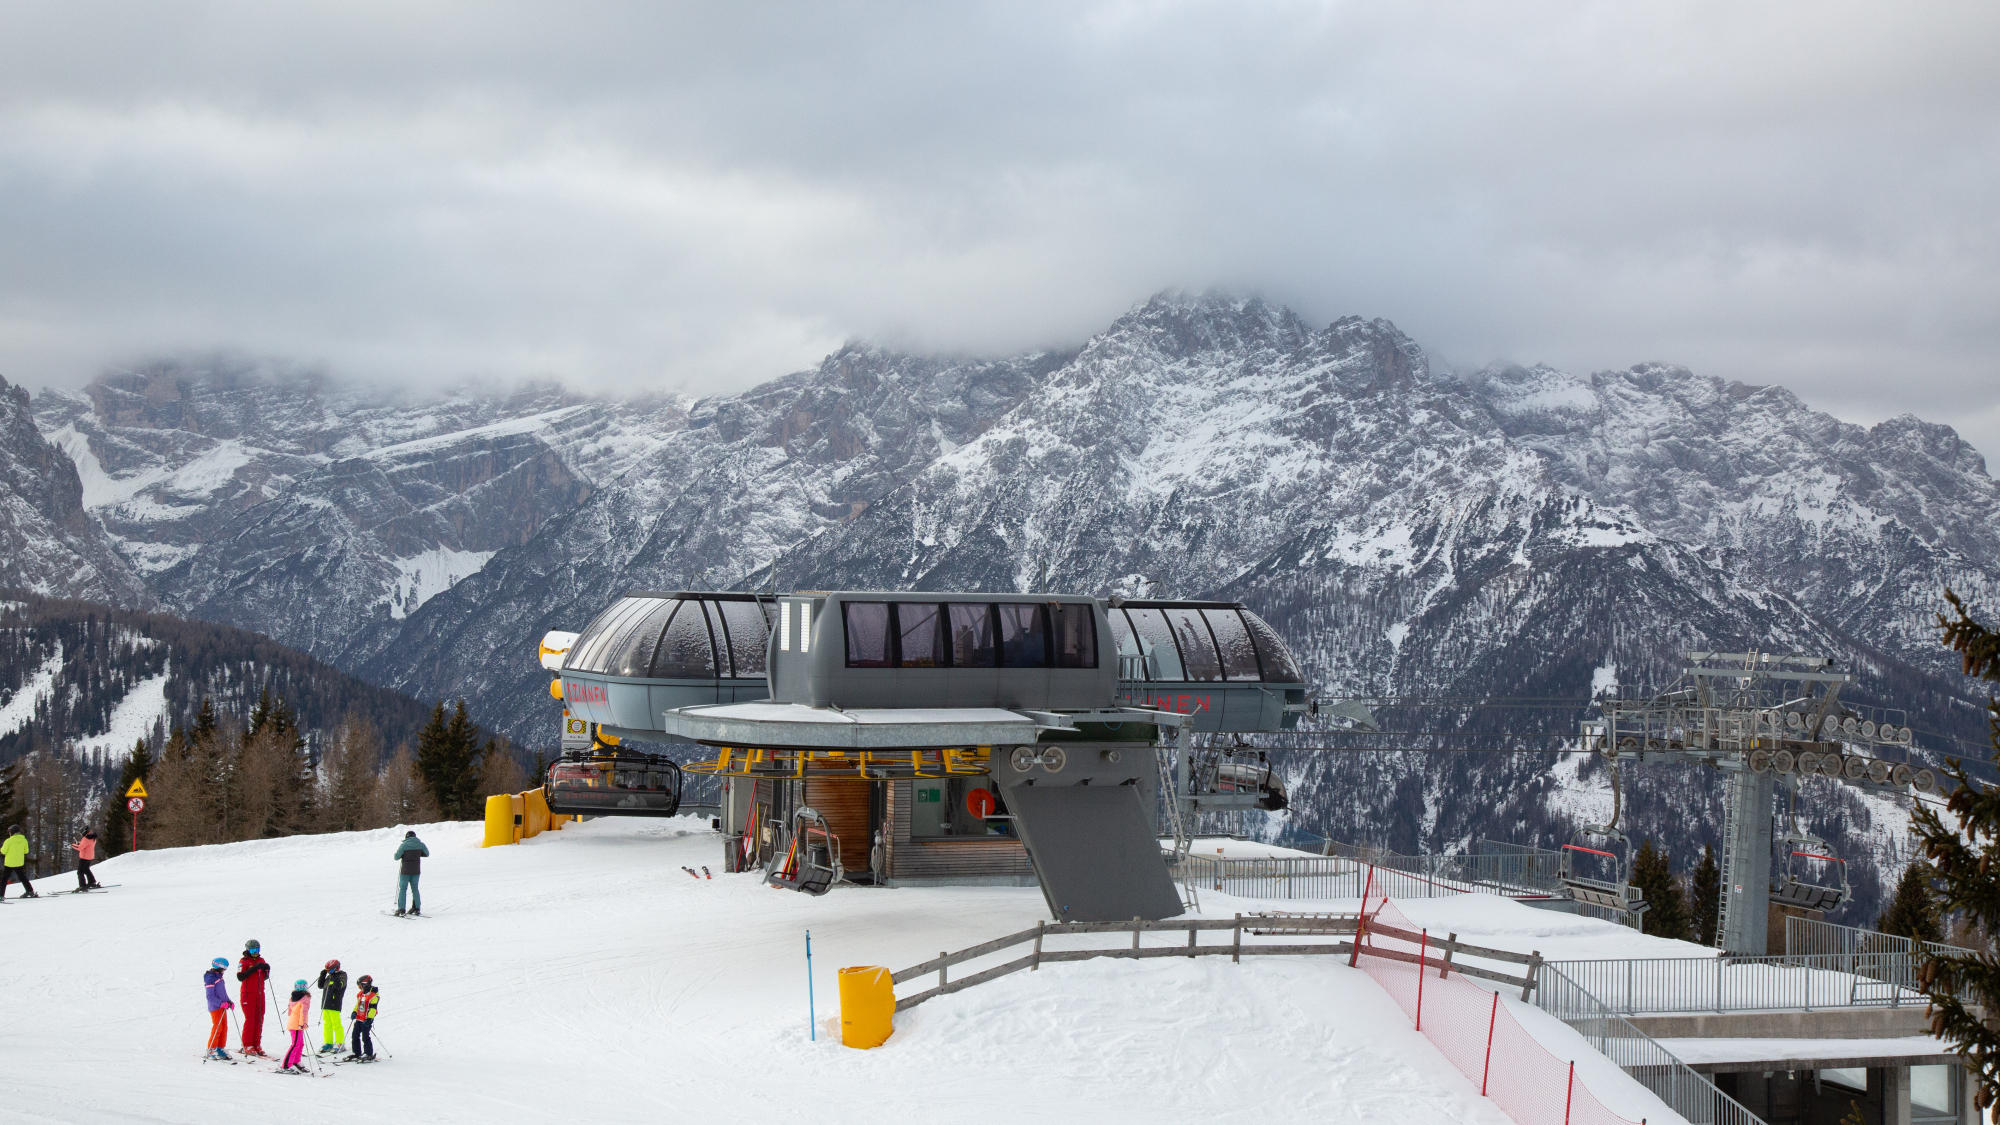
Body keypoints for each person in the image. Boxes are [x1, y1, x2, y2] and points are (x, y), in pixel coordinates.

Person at [236, 939, 272, 1056]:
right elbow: (240, 977)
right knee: (250, 1019)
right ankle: (247, 1045)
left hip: (260, 993)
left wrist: (267, 969)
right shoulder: (244, 961)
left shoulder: (261, 960)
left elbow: (264, 978)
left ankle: (256, 1044)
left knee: (259, 1019)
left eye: (257, 949)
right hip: (248, 994)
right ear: (248, 950)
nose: (255, 952)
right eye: (253, 950)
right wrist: (254, 968)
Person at [203, 957, 235, 1061]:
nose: (225, 971)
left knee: (224, 1028)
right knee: (217, 1027)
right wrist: (221, 1004)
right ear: (219, 967)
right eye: (224, 968)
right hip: (215, 1007)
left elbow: (222, 993)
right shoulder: (210, 978)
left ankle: (220, 1048)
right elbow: (210, 996)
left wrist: (229, 1002)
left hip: (222, 1007)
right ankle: (211, 1049)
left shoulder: (219, 977)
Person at [315, 959, 348, 1054]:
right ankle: (328, 1042)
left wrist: (333, 975)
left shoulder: (342, 975)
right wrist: (322, 975)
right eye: (327, 969)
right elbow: (320, 986)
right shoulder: (329, 976)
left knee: (336, 1024)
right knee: (327, 1024)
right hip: (326, 1004)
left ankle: (340, 1043)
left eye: (329, 969)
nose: (328, 971)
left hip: (335, 1003)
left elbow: (339, 986)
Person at [393, 830, 429, 916]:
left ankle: (401, 909)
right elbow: (427, 854)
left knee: (403, 889)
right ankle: (416, 908)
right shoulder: (421, 844)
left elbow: (396, 857)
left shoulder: (403, 845)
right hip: (416, 871)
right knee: (415, 889)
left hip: (405, 871)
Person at [281, 980, 310, 1073]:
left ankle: (296, 1061)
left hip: (293, 1023)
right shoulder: (305, 999)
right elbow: (303, 1012)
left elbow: (290, 1011)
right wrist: (302, 1023)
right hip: (297, 1025)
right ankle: (285, 1065)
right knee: (295, 1045)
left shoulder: (293, 997)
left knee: (300, 1044)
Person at [348, 975, 379, 1062]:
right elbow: (358, 1005)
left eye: (360, 986)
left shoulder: (373, 996)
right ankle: (357, 1053)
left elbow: (373, 1008)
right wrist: (354, 1012)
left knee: (365, 1037)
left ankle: (368, 1053)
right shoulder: (361, 994)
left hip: (366, 1020)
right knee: (355, 1035)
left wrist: (370, 1018)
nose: (359, 988)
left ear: (365, 984)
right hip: (359, 1018)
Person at [1, 824, 35, 899]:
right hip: (19, 863)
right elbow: (26, 851)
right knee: (22, 877)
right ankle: (30, 891)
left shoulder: (8, 841)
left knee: (4, 879)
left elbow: (3, 851)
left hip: (9, 863)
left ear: (12, 832)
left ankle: (1, 895)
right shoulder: (24, 840)